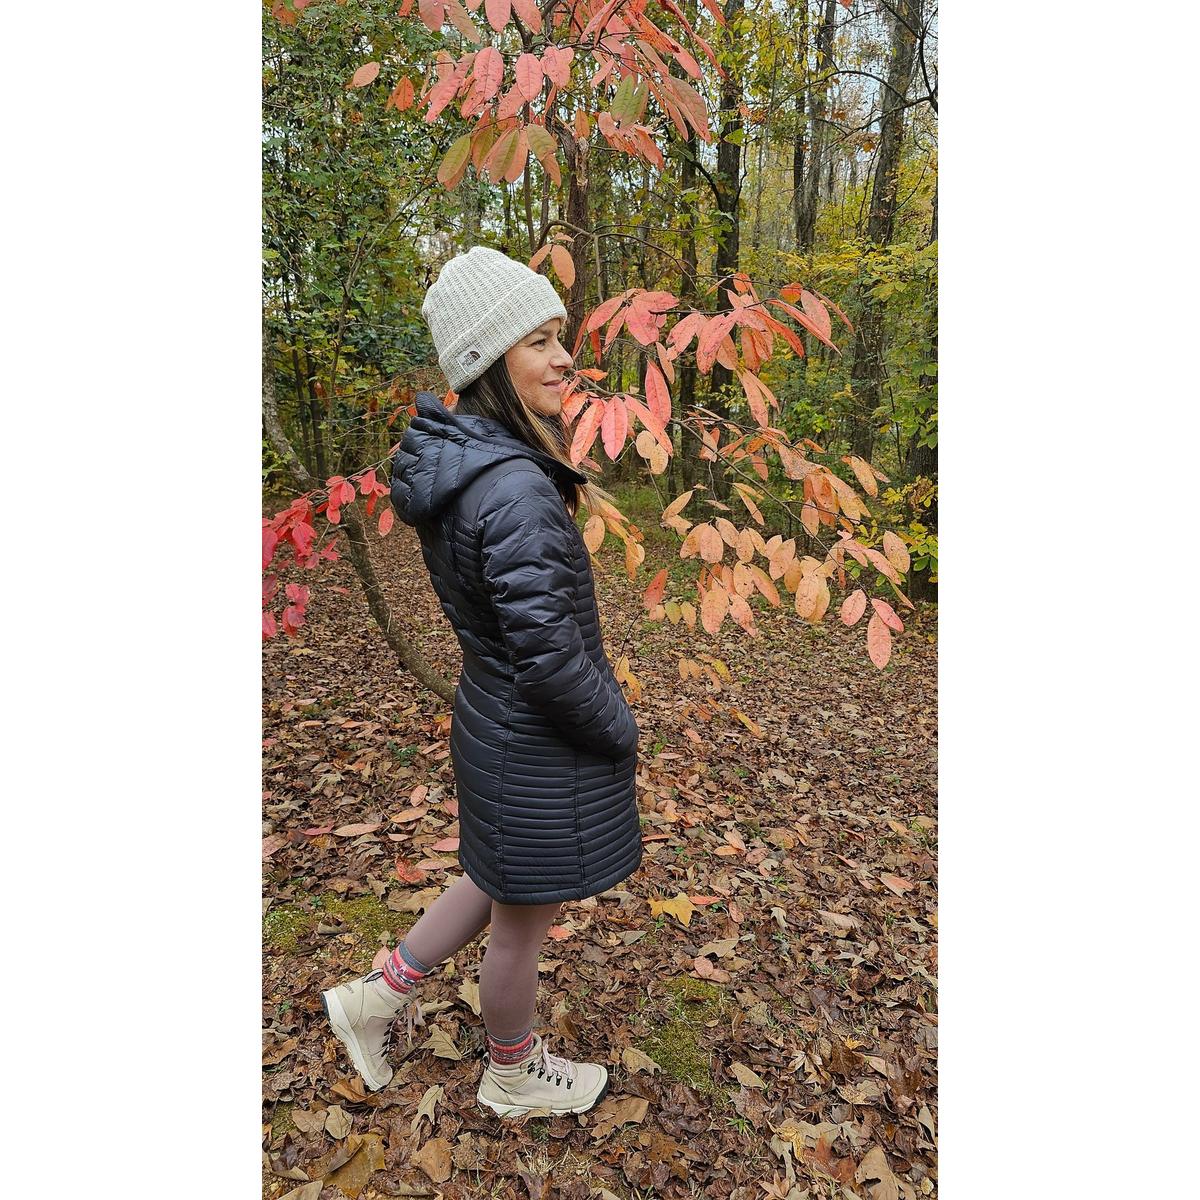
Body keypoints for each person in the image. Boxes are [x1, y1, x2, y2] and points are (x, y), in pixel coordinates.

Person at [320, 245, 642, 1118]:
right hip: (533, 740)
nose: (565, 359)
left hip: (498, 725)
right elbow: (550, 658)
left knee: (497, 879)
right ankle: (512, 1073)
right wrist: (617, 728)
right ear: (489, 360)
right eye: (540, 341)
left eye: (560, 337)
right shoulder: (514, 489)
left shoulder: (468, 465)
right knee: (519, 927)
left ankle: (375, 998)